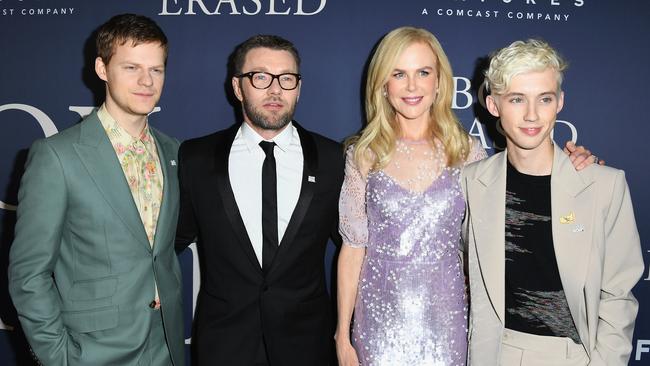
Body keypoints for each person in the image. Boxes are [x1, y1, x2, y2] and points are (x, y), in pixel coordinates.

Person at [335, 27, 595, 366]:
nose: (412, 86)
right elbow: (354, 249)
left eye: (423, 72)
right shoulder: (363, 154)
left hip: (448, 316)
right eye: (399, 74)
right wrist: (342, 333)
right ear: (383, 84)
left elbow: (504, 215)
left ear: (440, 81)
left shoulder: (467, 152)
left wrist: (573, 164)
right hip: (378, 318)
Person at [8, 14, 184, 366]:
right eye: (131, 67)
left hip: (166, 347)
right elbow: (28, 274)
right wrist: (58, 357)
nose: (146, 81)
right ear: (102, 68)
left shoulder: (174, 152)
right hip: (92, 352)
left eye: (157, 69)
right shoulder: (56, 156)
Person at [463, 39, 643, 366]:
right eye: (517, 99)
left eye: (544, 99)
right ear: (493, 105)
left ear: (559, 102)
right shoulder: (469, 182)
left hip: (573, 357)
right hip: (494, 353)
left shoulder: (604, 185)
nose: (532, 115)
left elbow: (618, 297)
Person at [175, 35, 344, 365]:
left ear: (299, 87)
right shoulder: (196, 158)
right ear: (238, 87)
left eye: (287, 78)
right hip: (224, 345)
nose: (275, 90)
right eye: (261, 77)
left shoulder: (333, 159)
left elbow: (356, 247)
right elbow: (170, 243)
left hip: (307, 346)